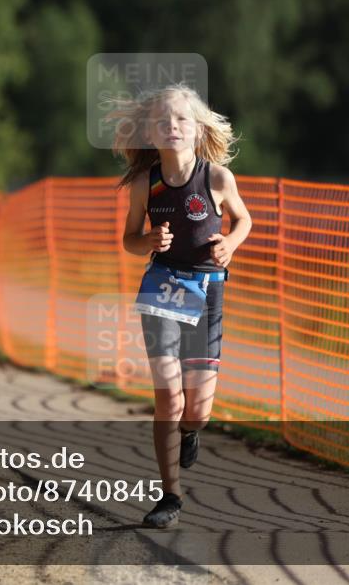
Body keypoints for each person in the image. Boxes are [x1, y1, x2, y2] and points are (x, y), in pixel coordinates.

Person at [113, 85, 253, 528]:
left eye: (181, 120)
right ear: (150, 132)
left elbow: (243, 218)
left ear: (198, 130)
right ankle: (169, 496)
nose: (172, 127)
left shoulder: (216, 179)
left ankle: (191, 433)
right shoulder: (144, 183)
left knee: (198, 412)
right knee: (169, 399)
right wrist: (148, 241)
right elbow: (129, 239)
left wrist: (229, 243)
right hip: (162, 286)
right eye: (162, 121)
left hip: (209, 291)